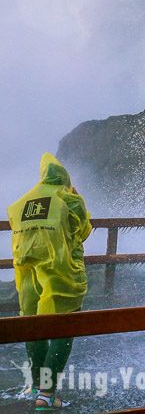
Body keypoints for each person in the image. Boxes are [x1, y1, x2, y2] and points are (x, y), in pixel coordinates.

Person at [7, 152, 92, 410]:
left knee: (33, 321)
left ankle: (35, 384)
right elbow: (84, 230)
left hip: (26, 267)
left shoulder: (23, 201)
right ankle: (46, 393)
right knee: (64, 323)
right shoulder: (67, 197)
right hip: (59, 267)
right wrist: (77, 197)